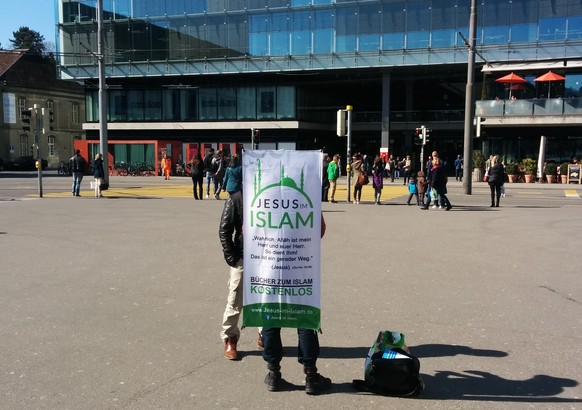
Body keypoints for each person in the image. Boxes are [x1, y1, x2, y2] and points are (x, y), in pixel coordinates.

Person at [262, 216, 331, 395]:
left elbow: (249, 229)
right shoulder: (307, 191)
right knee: (304, 317)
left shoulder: (264, 192)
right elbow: (320, 229)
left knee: (271, 315)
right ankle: (310, 375)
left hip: (271, 262)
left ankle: (273, 373)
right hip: (300, 262)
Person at [218, 188, 263, 361]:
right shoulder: (237, 197)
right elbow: (224, 229)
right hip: (243, 256)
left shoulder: (272, 193)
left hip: (266, 258)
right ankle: (230, 337)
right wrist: (233, 258)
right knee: (235, 298)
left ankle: (264, 334)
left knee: (264, 298)